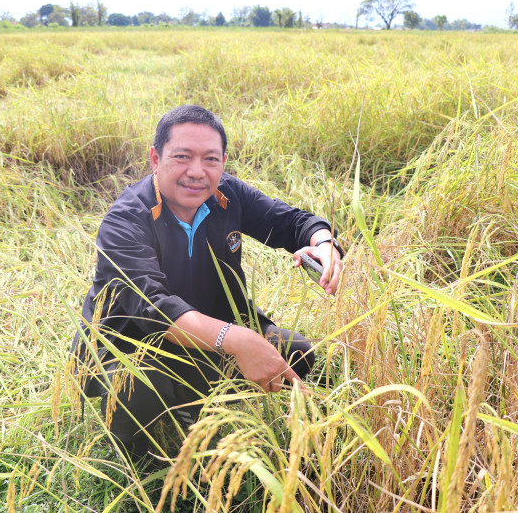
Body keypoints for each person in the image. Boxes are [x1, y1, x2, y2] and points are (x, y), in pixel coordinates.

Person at [70, 105, 343, 463]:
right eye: (182, 157)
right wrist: (240, 341)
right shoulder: (125, 220)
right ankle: (137, 455)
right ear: (155, 158)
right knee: (139, 388)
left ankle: (195, 393)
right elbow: (154, 310)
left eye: (210, 159)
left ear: (223, 161)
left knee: (297, 353)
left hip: (211, 324)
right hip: (131, 342)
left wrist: (324, 244)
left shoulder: (228, 195)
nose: (197, 172)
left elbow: (292, 223)